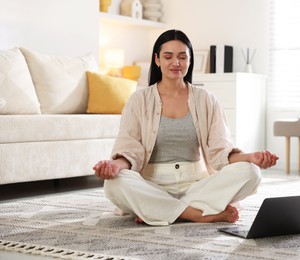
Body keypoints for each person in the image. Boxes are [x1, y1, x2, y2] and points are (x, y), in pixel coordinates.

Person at [93, 29, 279, 226]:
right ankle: (196, 214)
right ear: (157, 60)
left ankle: (160, 210)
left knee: (251, 173)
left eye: (182, 57)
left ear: (190, 61)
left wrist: (251, 158)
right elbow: (130, 151)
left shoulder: (206, 99)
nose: (176, 63)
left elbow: (220, 151)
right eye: (168, 56)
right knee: (114, 183)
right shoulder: (138, 100)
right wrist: (114, 167)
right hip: (152, 185)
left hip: (196, 185)